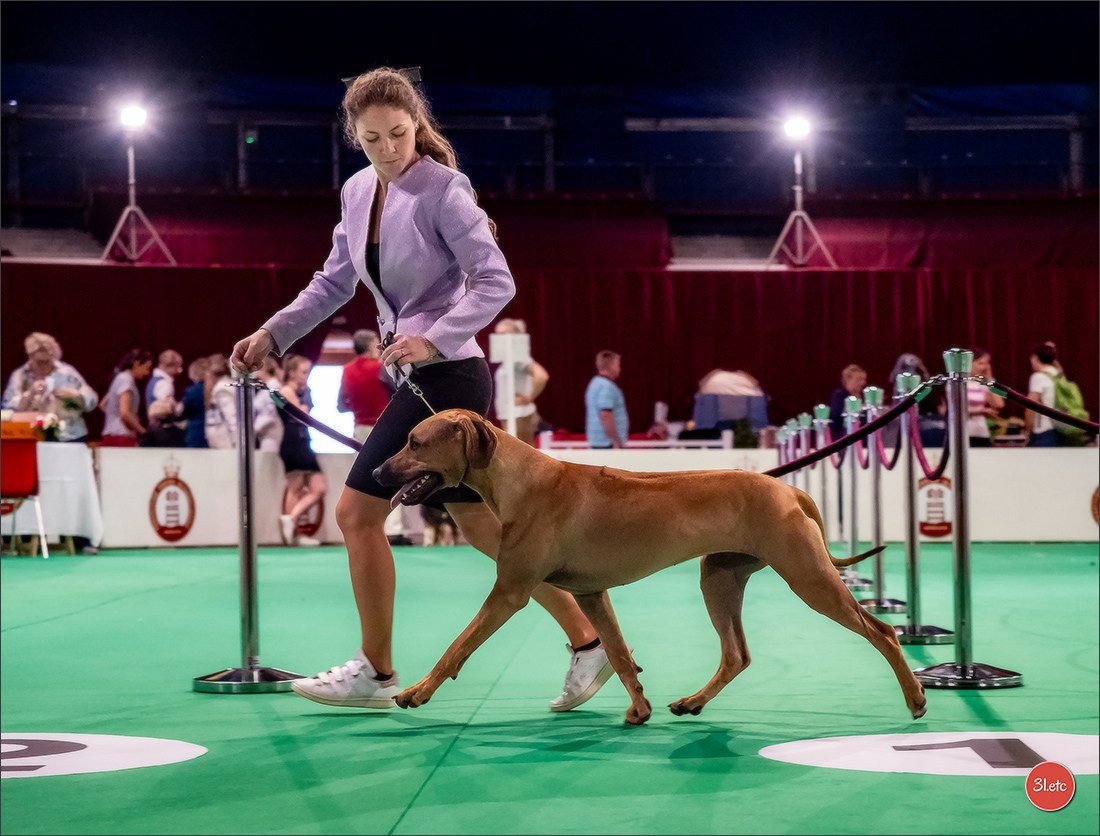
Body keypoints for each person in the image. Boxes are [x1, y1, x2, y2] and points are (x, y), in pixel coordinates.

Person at [230, 66, 614, 712]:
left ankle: (376, 672)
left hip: (450, 375)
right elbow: (332, 284)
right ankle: (589, 643)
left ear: (417, 125)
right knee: (487, 533)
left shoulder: (445, 189)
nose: (389, 150)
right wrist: (274, 334)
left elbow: (497, 282)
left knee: (356, 514)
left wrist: (432, 338)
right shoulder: (356, 193)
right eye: (373, 139)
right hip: (421, 376)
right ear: (355, 136)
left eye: (400, 135)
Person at [2, 332, 99, 442]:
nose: (45, 366)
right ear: (30, 356)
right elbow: (8, 411)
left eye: (48, 361)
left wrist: (75, 396)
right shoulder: (19, 376)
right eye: (40, 362)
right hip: (33, 437)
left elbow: (92, 401)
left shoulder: (67, 372)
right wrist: (30, 393)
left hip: (69, 436)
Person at [276, 354, 328, 547]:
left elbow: (306, 412)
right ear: (292, 373)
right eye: (304, 372)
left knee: (318, 488)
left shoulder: (303, 391)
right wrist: (303, 408)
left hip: (303, 441)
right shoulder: (287, 390)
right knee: (296, 488)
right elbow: (300, 415)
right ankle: (293, 531)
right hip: (293, 441)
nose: (306, 376)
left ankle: (291, 520)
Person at [492, 318, 549, 446]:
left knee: (522, 458)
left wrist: (528, 398)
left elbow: (541, 376)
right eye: (497, 334)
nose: (499, 339)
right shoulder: (509, 359)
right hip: (511, 415)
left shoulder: (518, 358)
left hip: (519, 416)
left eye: (503, 334)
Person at [338, 328, 393, 442]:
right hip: (383, 426)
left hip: (360, 429)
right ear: (370, 345)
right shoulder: (380, 367)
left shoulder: (346, 369)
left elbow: (341, 406)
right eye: (377, 343)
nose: (380, 348)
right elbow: (396, 394)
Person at [100, 348, 153, 446]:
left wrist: (114, 416)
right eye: (146, 368)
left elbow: (103, 404)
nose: (147, 373)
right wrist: (143, 431)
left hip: (111, 435)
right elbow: (125, 413)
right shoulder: (126, 381)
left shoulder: (119, 378)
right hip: (121, 437)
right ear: (137, 364)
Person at [585, 350, 629, 449]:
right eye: (618, 365)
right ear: (611, 366)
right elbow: (606, 415)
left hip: (598, 441)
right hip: (607, 444)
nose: (620, 369)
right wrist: (615, 440)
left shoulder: (594, 383)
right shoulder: (606, 386)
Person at [142, 349, 186, 447]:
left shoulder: (153, 381)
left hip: (155, 430)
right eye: (178, 368)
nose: (179, 372)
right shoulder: (164, 385)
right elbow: (166, 409)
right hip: (162, 433)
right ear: (168, 367)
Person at [1025, 341, 1062, 447]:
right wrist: (1052, 353)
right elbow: (1059, 369)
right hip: (1060, 428)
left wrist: (1027, 432)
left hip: (1043, 431)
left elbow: (1030, 406)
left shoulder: (1038, 377)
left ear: (1035, 358)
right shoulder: (1058, 375)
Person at [966, 346, 1004, 447]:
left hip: (981, 432)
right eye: (980, 363)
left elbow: (998, 404)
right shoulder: (959, 383)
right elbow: (956, 409)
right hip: (965, 431)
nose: (983, 367)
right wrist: (981, 412)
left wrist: (990, 380)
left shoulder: (982, 383)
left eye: (986, 364)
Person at [202, 353, 237, 450]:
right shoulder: (223, 385)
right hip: (221, 439)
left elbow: (232, 417)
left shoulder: (222, 388)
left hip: (226, 441)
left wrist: (237, 442)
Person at [828, 363, 867, 440]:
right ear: (847, 379)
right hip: (842, 440)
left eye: (864, 380)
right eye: (858, 379)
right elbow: (837, 415)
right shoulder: (839, 396)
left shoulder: (862, 398)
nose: (862, 383)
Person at [254, 355, 285, 454]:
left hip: (271, 431)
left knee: (268, 461)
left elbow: (271, 412)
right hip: (264, 432)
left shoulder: (273, 386)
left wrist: (254, 429)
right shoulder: (266, 386)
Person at [180, 356, 210, 448]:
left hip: (195, 432)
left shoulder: (192, 391)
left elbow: (184, 411)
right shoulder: (216, 388)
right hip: (214, 430)